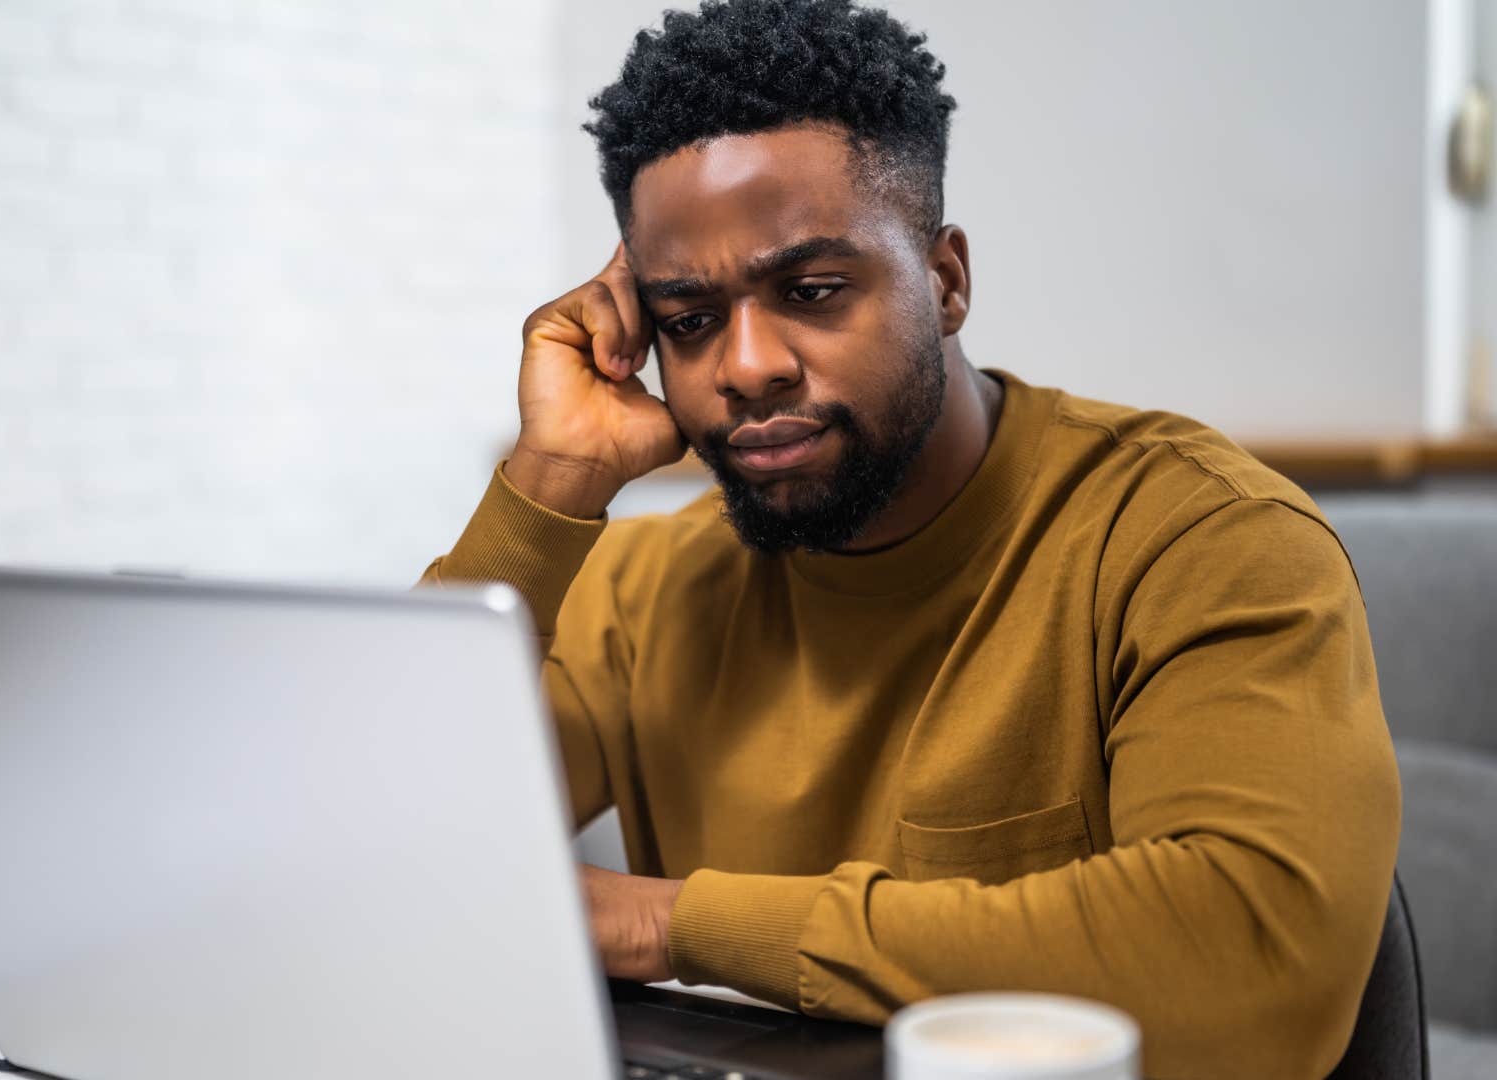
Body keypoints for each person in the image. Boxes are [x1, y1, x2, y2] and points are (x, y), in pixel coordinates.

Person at [419, 2, 1400, 1076]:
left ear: (945, 282)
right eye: (689, 319)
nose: (746, 366)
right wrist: (552, 478)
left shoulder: (1200, 539)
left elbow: (1250, 969)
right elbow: (351, 841)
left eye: (812, 290)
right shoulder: (647, 587)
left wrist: (664, 924)